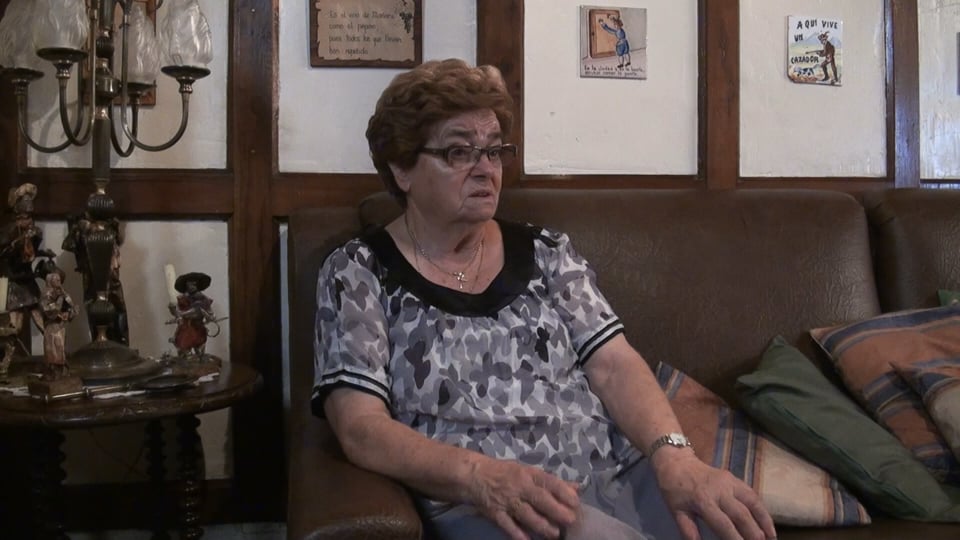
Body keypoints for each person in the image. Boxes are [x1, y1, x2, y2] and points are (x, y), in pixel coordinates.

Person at [313, 58, 776, 540]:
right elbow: (359, 426)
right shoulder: (359, 270)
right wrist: (479, 477)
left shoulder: (546, 252)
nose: (485, 170)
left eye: (494, 151)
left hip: (612, 472)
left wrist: (676, 457)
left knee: (727, 525)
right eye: (459, 152)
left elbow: (614, 365)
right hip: (486, 498)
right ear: (402, 168)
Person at [40, 269, 78, 378]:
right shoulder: (46, 293)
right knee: (52, 347)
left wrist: (68, 313)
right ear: (50, 280)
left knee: (60, 346)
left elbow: (72, 306)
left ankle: (61, 370)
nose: (58, 281)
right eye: (56, 279)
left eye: (59, 280)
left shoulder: (62, 292)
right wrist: (60, 301)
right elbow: (49, 309)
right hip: (51, 325)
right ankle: (53, 370)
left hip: (60, 326)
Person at [168, 271, 216, 358]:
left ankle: (200, 358)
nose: (192, 286)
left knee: (199, 348)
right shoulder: (182, 299)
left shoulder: (203, 299)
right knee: (183, 347)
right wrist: (174, 312)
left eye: (194, 284)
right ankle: (185, 359)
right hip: (185, 328)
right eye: (189, 284)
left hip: (198, 327)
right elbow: (177, 313)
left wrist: (210, 316)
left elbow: (209, 312)